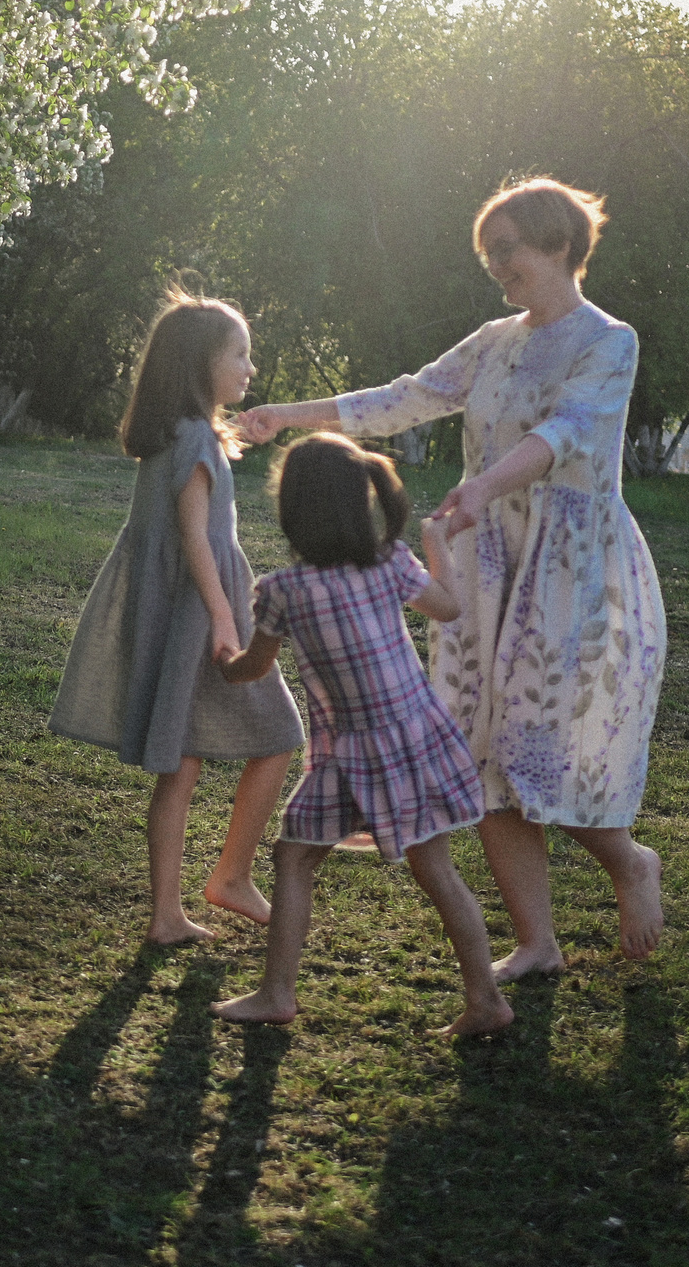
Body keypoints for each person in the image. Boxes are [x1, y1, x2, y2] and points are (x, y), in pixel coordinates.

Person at [238, 177, 667, 976]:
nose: (497, 266)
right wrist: (286, 418)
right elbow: (407, 398)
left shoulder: (609, 340)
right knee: (485, 753)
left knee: (540, 744)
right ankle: (537, 943)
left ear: (561, 245)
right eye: (489, 253)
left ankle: (627, 862)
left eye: (508, 248)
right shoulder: (494, 339)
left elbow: (567, 432)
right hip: (488, 558)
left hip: (568, 564)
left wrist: (483, 485)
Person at [210, 434, 510, 1035]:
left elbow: (255, 667)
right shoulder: (390, 563)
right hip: (414, 739)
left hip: (353, 753)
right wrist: (436, 542)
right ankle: (485, 1001)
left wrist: (226, 660)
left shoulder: (282, 592)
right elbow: (450, 606)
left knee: (294, 858)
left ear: (293, 511)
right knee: (437, 871)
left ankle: (278, 993)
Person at [51, 292, 304, 945]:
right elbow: (195, 539)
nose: (250, 367)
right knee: (278, 733)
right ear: (201, 365)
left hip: (182, 612)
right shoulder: (192, 437)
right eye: (239, 355)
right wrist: (225, 619)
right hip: (200, 615)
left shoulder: (177, 435)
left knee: (183, 764)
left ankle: (176, 910)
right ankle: (229, 876)